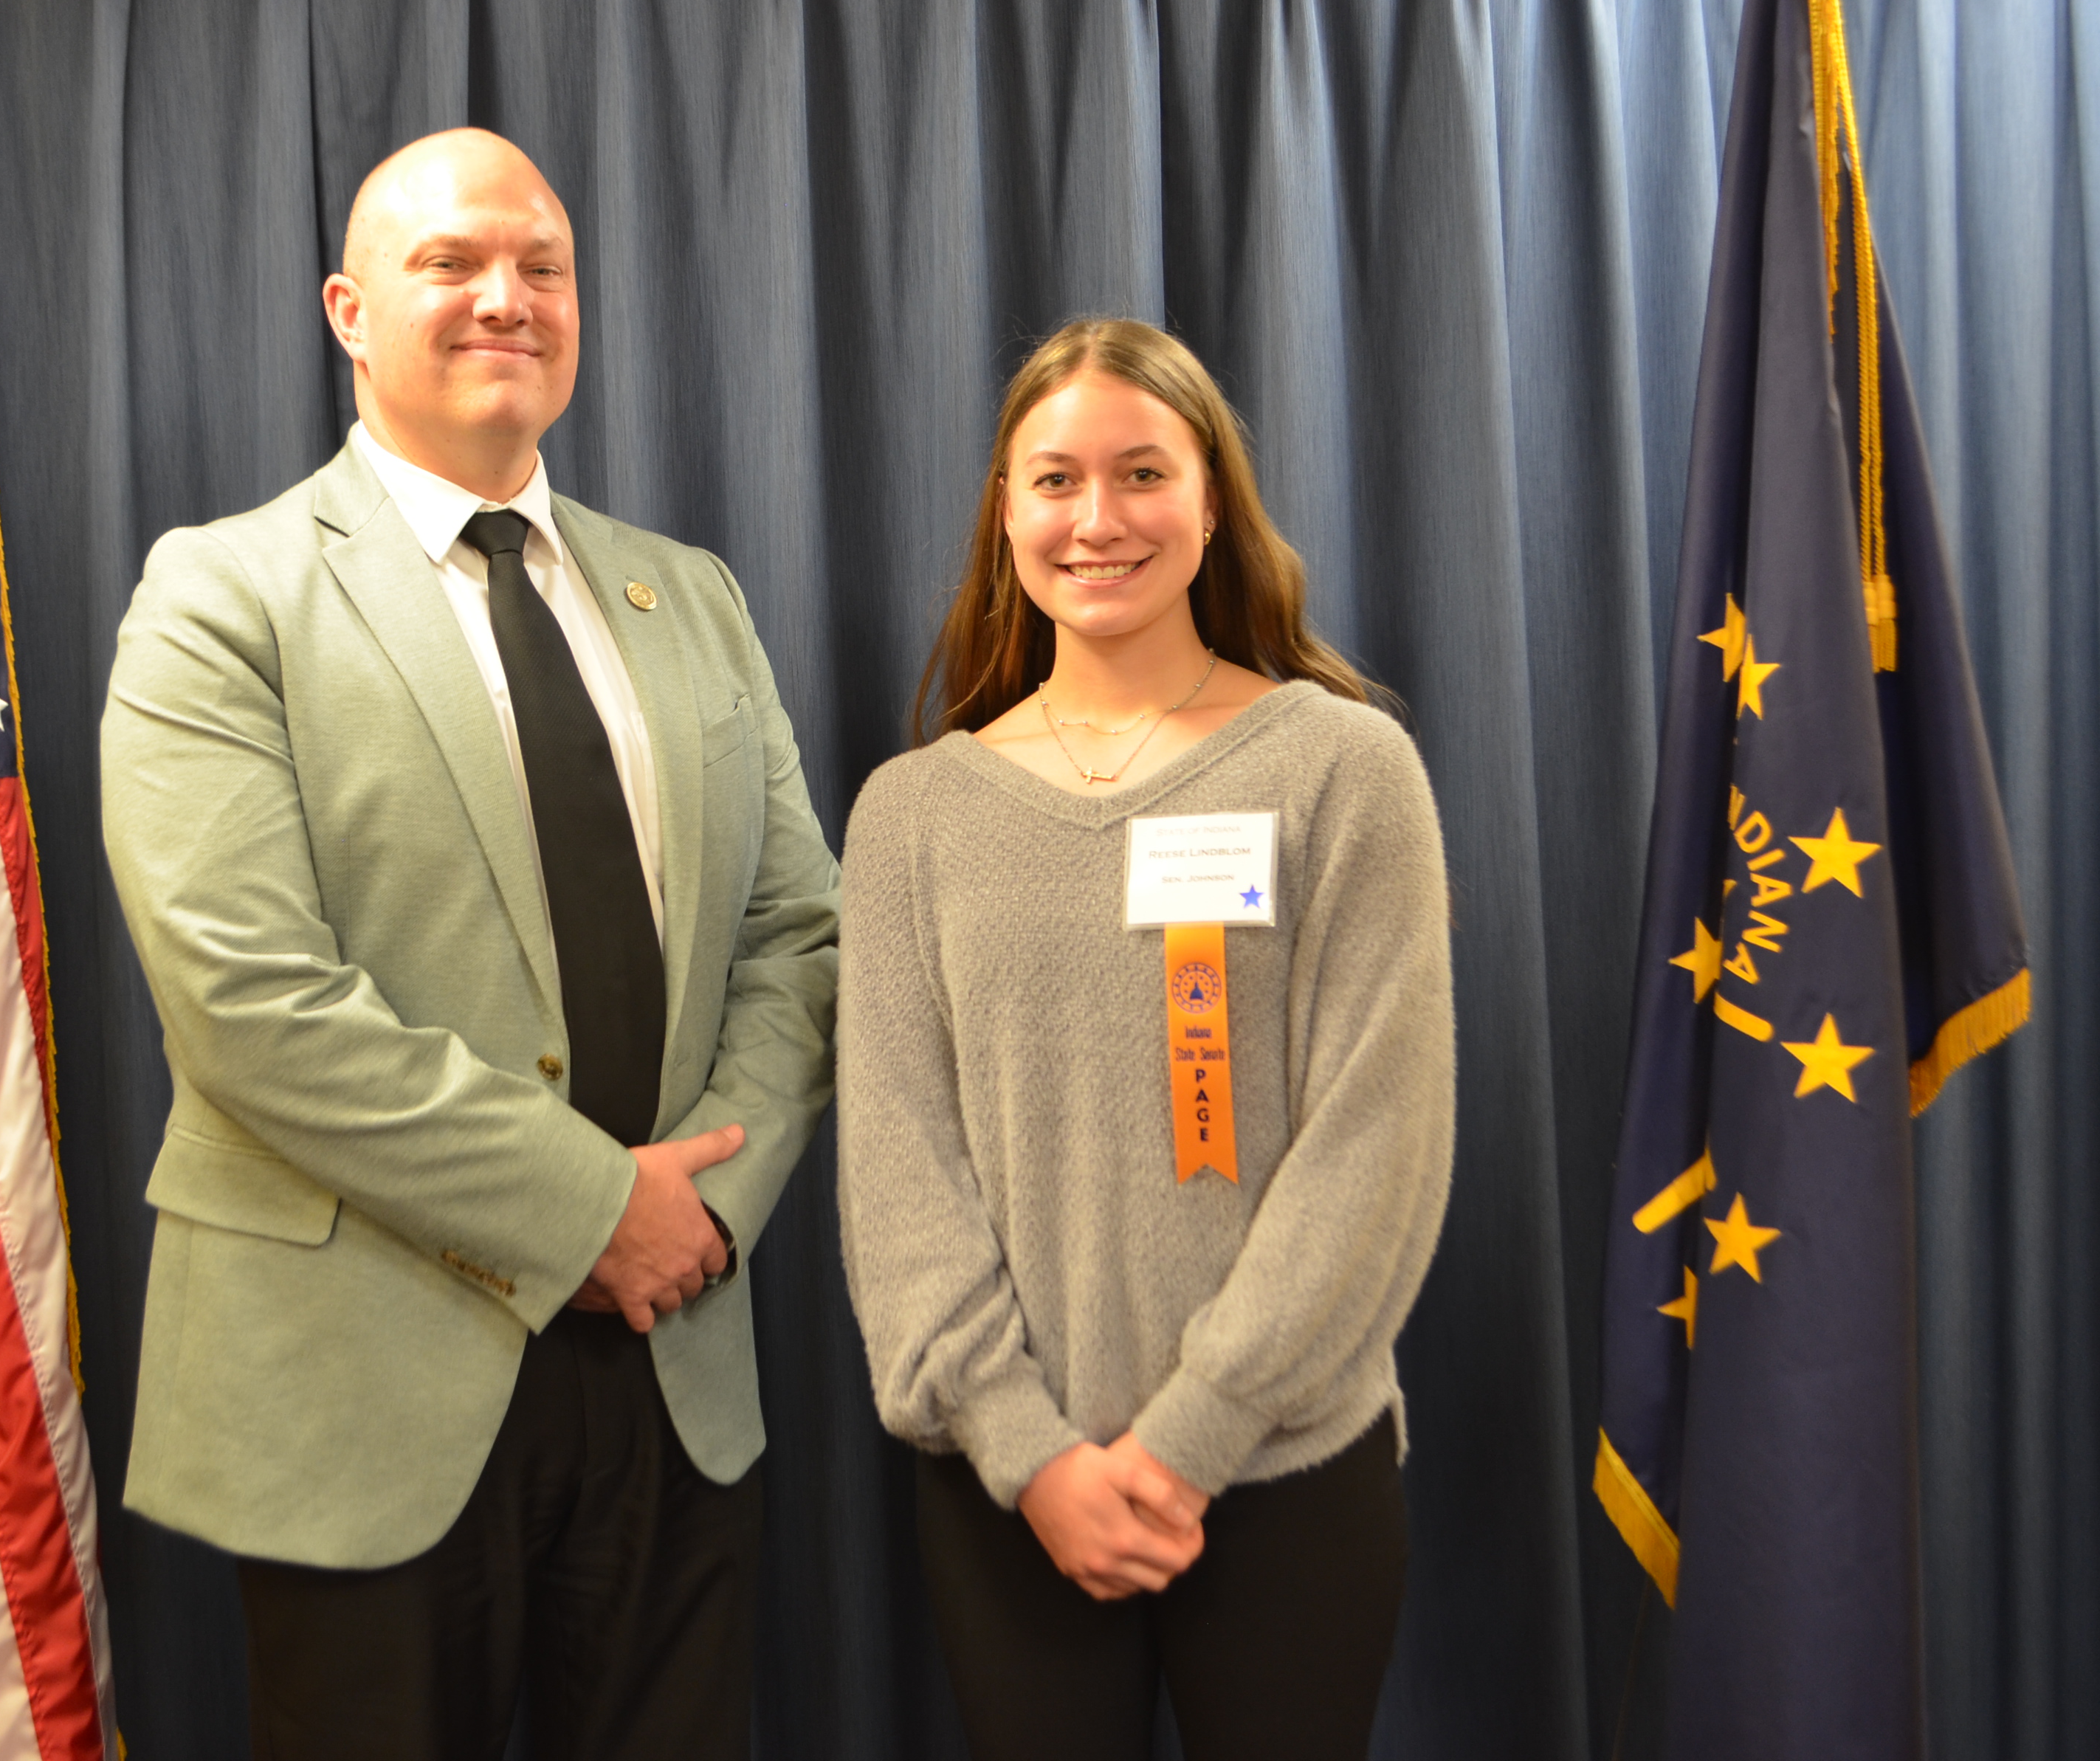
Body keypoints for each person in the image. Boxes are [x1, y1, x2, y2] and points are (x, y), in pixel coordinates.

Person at [100, 127, 839, 1760]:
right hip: (366, 1378)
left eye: (542, 267)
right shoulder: (223, 597)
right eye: (452, 263)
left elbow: (802, 938)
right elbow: (250, 1003)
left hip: (672, 1359)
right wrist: (592, 1213)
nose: (507, 297)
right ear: (349, 312)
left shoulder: (693, 596)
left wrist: (702, 1214)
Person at [836, 318, 1453, 1760]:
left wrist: (1191, 1439)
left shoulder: (1345, 769)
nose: (1097, 519)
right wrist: (1029, 1451)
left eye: (1142, 473)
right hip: (1011, 1491)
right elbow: (897, 1164)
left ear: (1212, 500)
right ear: (1006, 513)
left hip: (1288, 1467)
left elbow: (1379, 1142)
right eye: (1055, 480)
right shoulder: (910, 818)